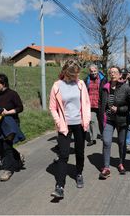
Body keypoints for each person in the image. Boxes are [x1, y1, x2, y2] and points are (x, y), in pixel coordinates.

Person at [49, 59, 91, 199]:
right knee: (63, 155)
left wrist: (87, 120)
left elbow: (86, 103)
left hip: (80, 123)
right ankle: (60, 186)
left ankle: (79, 173)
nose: (76, 77)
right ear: (66, 72)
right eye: (74, 75)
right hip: (64, 125)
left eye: (77, 74)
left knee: (79, 152)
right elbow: (52, 108)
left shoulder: (80, 84)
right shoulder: (57, 86)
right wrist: (59, 122)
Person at [0, 73, 25, 182]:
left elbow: (20, 108)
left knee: (6, 146)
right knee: (1, 146)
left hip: (11, 123)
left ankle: (8, 170)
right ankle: (18, 157)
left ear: (3, 83)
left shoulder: (12, 94)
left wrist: (8, 112)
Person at [98, 66, 130, 179]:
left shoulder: (125, 88)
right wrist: (100, 114)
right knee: (107, 142)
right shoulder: (104, 87)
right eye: (111, 72)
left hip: (122, 120)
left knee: (122, 143)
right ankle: (106, 168)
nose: (113, 74)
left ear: (119, 74)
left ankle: (121, 163)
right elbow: (100, 103)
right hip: (108, 119)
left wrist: (119, 109)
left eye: (115, 72)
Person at [84, 64, 107, 146]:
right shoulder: (86, 79)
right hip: (90, 104)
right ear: (89, 71)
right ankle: (93, 139)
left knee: (101, 121)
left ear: (97, 70)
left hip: (100, 104)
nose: (93, 73)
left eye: (94, 71)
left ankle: (103, 135)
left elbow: (105, 92)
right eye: (91, 71)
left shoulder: (103, 79)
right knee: (92, 121)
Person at [119, 68, 130, 154]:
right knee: (121, 126)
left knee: (129, 126)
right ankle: (122, 141)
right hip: (119, 108)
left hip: (129, 108)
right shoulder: (118, 82)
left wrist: (129, 80)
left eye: (125, 75)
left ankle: (128, 144)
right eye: (122, 74)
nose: (123, 76)